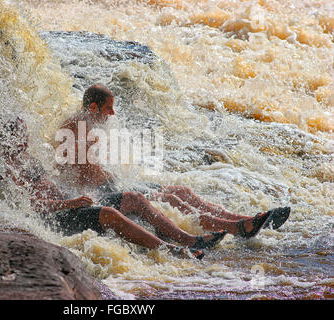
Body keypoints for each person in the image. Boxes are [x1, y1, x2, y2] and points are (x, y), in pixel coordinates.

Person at [55, 84, 291, 240]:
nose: (113, 114)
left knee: (182, 191)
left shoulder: (90, 124)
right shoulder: (75, 129)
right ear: (93, 107)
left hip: (113, 185)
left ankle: (242, 219)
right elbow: (81, 176)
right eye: (109, 108)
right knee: (170, 198)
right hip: (99, 194)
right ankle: (238, 228)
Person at [0, 117, 222, 260]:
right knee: (108, 214)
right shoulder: (6, 170)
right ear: (8, 139)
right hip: (57, 218)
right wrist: (71, 203)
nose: (26, 139)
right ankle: (170, 250)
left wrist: (75, 194)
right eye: (20, 134)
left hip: (71, 205)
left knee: (133, 197)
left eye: (24, 133)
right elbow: (31, 205)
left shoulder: (27, 160)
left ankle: (188, 239)